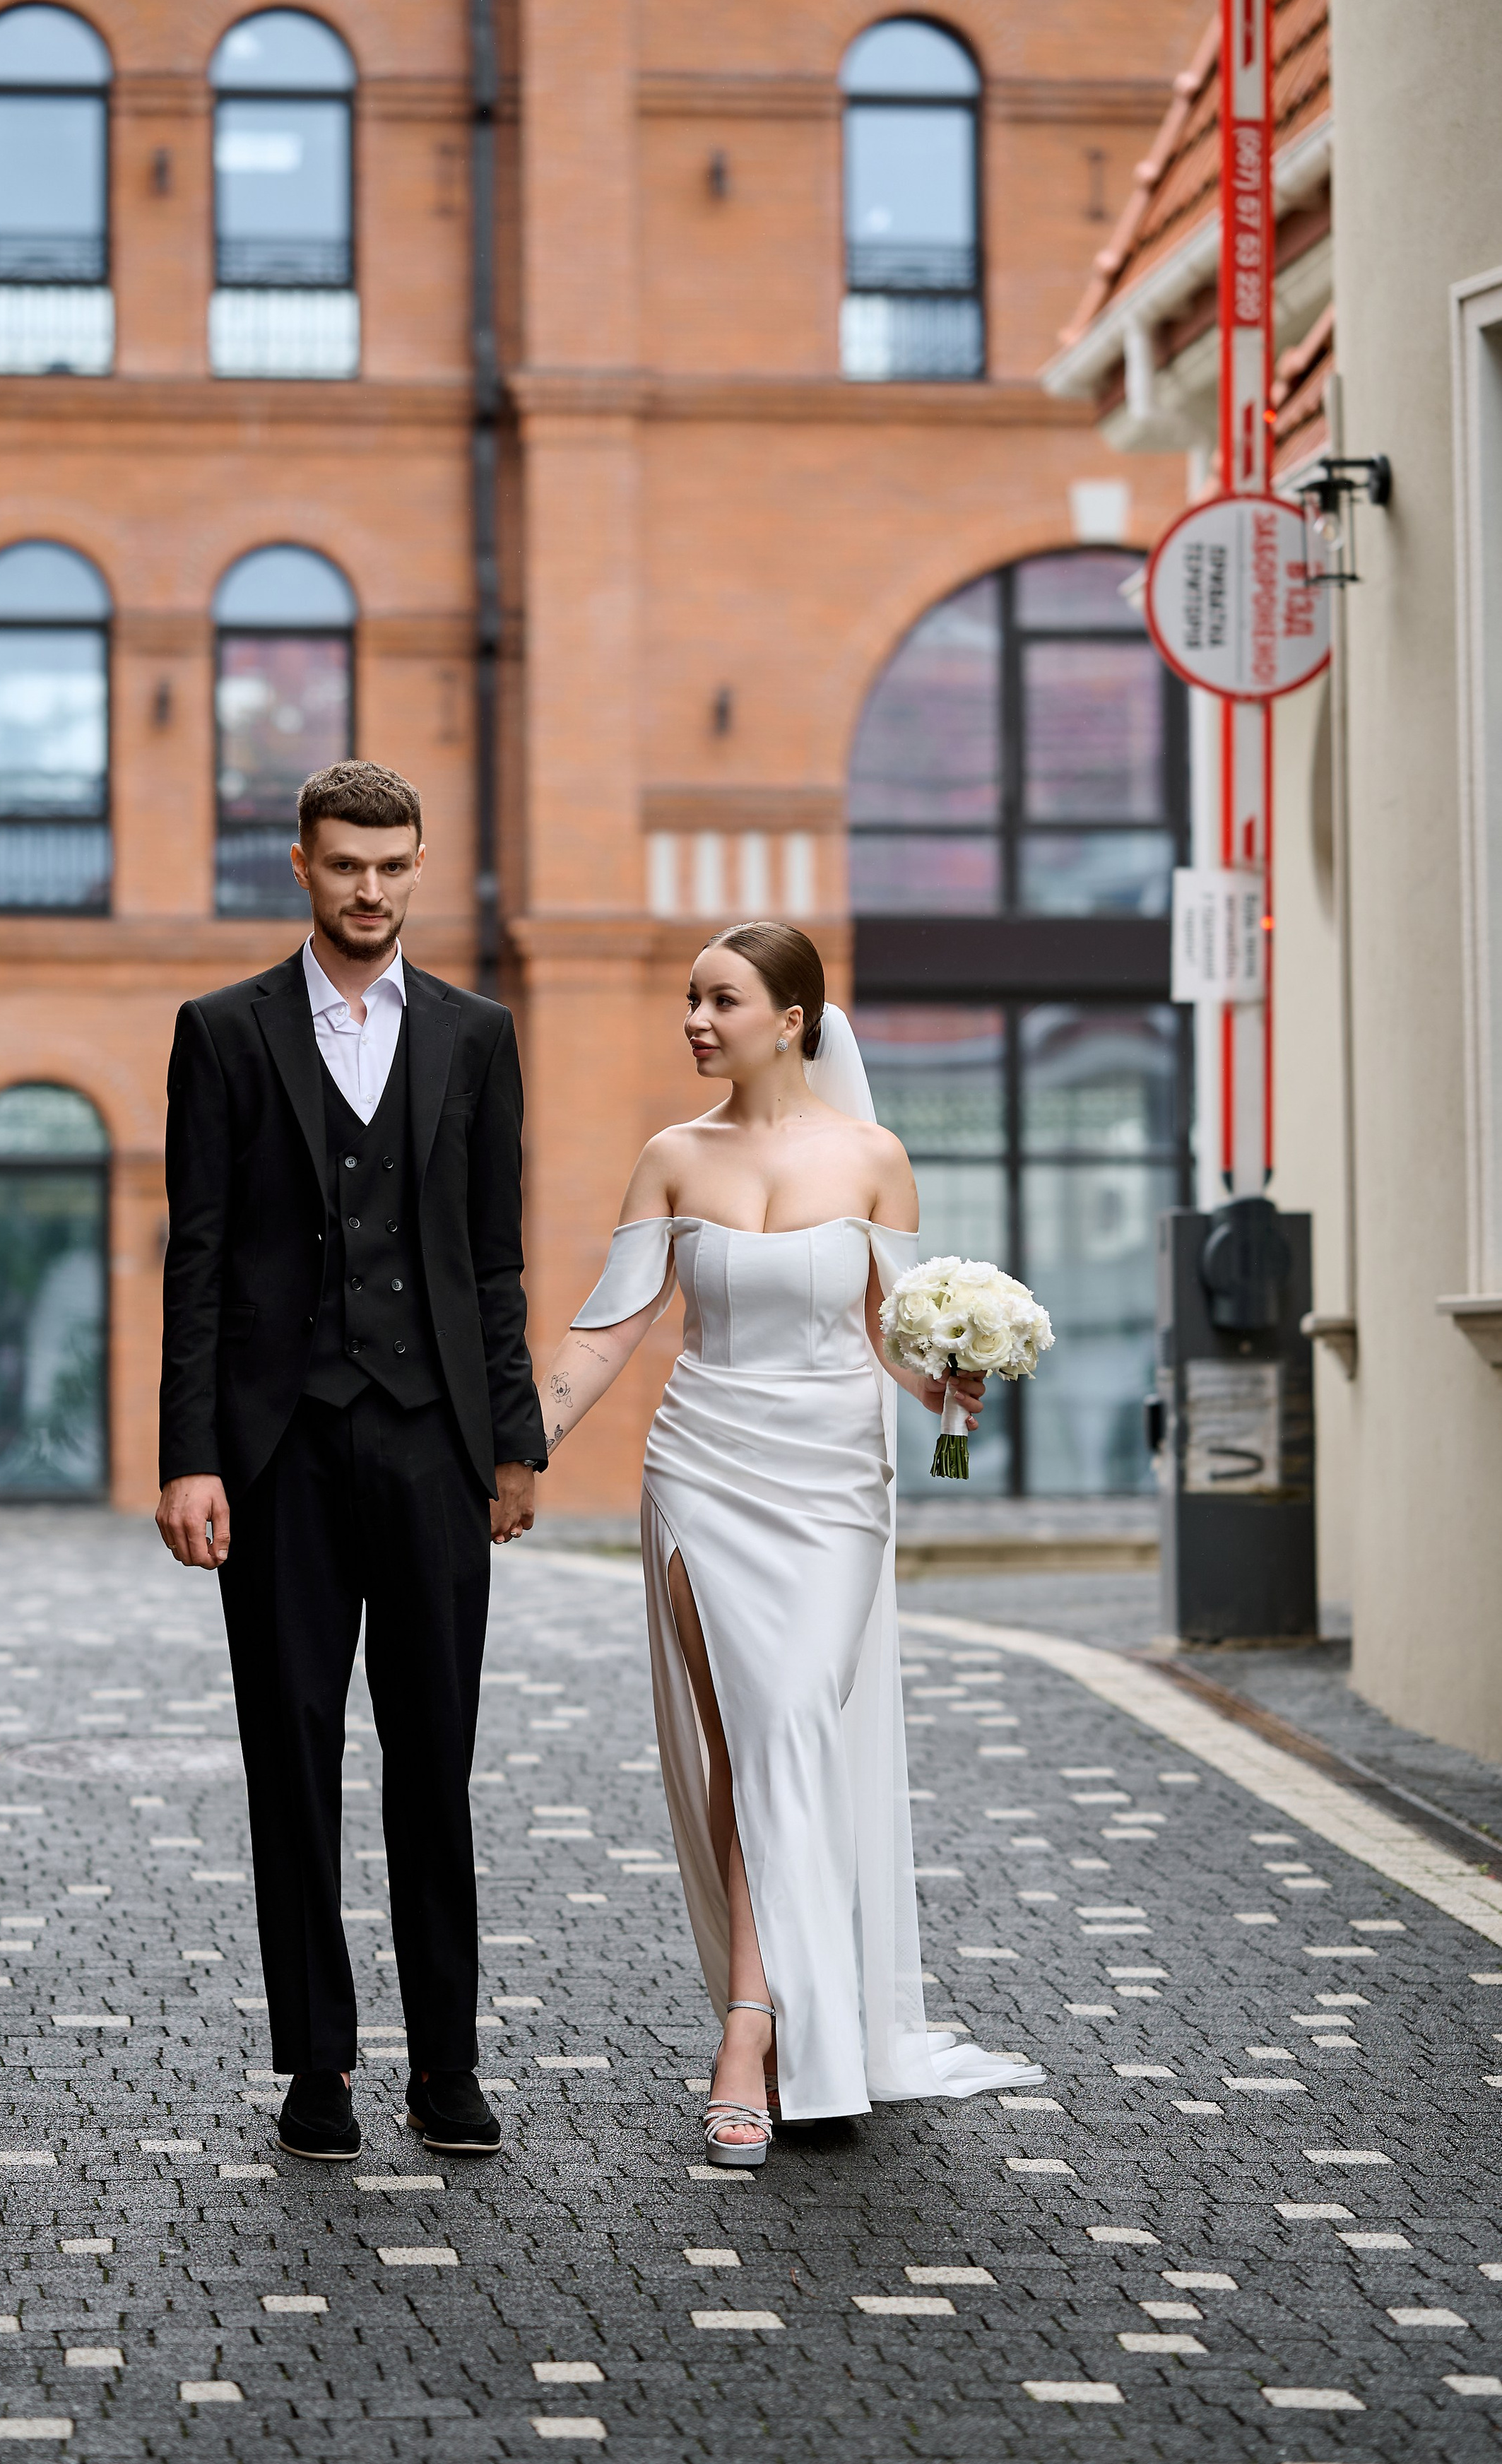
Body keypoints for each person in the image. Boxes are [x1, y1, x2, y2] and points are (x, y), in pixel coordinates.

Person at [535, 921, 1043, 2164]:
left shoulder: (875, 1160)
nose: (697, 1021)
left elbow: (893, 1334)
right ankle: (755, 2027)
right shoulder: (668, 1157)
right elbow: (610, 1329)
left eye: (722, 1000)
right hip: (701, 1468)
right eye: (690, 1001)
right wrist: (519, 1445)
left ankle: (756, 2030)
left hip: (830, 1487)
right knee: (742, 1740)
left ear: (793, 1019)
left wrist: (950, 1385)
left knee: (790, 1723)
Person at [155, 759, 547, 2165]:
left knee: (433, 1764)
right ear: (302, 866)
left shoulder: (477, 1035)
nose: (368, 890)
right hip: (275, 1459)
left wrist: (513, 1441)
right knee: (292, 1760)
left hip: (434, 1446)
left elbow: (492, 1261)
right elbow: (194, 1261)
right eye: (343, 866)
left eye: (391, 866)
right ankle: (314, 2063)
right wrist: (188, 1456)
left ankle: (446, 2062)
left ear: (418, 865)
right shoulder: (221, 1031)